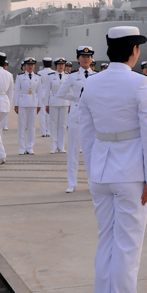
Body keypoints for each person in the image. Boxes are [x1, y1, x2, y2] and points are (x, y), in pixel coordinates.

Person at [78, 25, 147, 293]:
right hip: (130, 175)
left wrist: (92, 169)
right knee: (127, 248)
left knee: (106, 245)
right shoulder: (141, 83)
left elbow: (84, 131)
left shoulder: (91, 83)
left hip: (101, 172)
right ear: (134, 51)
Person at [56, 45, 96, 193]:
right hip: (77, 114)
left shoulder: (97, 76)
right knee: (73, 150)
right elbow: (60, 94)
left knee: (91, 150)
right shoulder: (72, 76)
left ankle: (92, 181)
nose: (86, 59)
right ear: (78, 59)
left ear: (91, 59)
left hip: (92, 116)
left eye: (88, 56)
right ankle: (72, 183)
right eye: (83, 56)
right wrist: (75, 98)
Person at [14, 57, 42, 155]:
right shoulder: (20, 77)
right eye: (28, 65)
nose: (30, 66)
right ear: (25, 66)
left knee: (31, 126)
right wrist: (16, 104)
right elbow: (17, 91)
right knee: (22, 126)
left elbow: (39, 92)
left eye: (32, 65)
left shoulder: (37, 77)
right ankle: (21, 148)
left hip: (33, 102)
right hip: (22, 102)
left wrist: (39, 105)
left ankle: (30, 147)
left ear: (34, 65)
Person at [45, 57, 70, 154]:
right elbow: (47, 91)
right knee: (53, 124)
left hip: (64, 102)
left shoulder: (68, 76)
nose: (61, 66)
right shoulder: (50, 76)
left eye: (63, 64)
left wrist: (70, 104)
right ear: (56, 65)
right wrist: (46, 104)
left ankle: (61, 146)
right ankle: (53, 146)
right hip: (54, 102)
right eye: (59, 64)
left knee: (63, 125)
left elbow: (70, 90)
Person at [38, 57, 56, 137]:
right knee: (50, 114)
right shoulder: (54, 72)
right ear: (51, 64)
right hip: (51, 94)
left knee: (42, 114)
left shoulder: (39, 72)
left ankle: (43, 132)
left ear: (43, 64)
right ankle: (48, 131)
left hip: (42, 93)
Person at [1, 59, 10, 131]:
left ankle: (5, 125)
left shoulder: (9, 75)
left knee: (6, 111)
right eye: (4, 65)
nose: (5, 67)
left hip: (6, 95)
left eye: (6, 65)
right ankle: (1, 124)